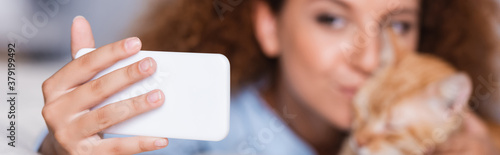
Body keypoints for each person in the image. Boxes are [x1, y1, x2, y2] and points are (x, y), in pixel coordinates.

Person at [38, 0, 500, 154]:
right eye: (331, 19)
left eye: (398, 25)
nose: (369, 58)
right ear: (268, 26)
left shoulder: (452, 132)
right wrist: (57, 150)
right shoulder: (191, 127)